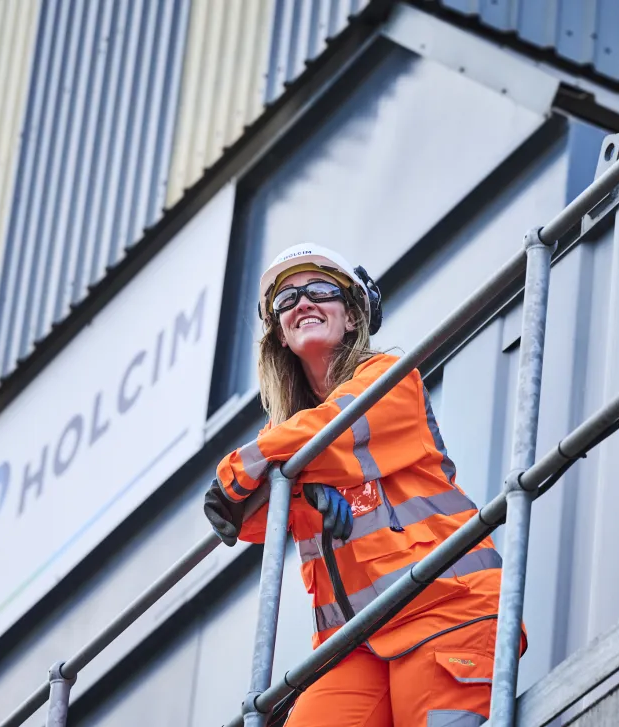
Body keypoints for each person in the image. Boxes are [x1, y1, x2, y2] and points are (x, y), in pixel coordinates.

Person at [203, 244, 524, 727]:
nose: (302, 303)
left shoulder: (390, 380)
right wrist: (302, 485)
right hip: (352, 645)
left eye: (319, 291)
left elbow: (334, 430)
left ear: (353, 317)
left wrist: (250, 469)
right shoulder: (284, 443)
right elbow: (245, 521)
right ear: (281, 336)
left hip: (446, 606)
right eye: (286, 301)